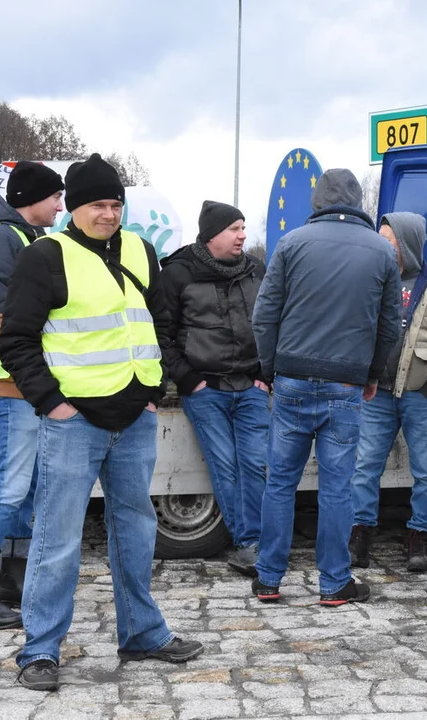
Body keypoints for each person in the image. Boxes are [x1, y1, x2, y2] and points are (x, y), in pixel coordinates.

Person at [0, 154, 203, 691]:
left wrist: (154, 390)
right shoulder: (47, 256)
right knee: (57, 537)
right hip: (74, 421)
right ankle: (40, 650)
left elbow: (160, 320)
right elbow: (15, 339)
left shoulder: (140, 249)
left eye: (116, 204)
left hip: (134, 418)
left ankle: (141, 632)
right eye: (98, 205)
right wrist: (52, 404)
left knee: (136, 528)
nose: (109, 214)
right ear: (73, 207)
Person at [251, 169, 399, 606]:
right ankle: (334, 583)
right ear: (358, 202)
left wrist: (270, 368)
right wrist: (371, 374)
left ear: (317, 202)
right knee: (338, 487)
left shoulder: (292, 243)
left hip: (292, 378)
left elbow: (265, 315)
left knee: (280, 482)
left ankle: (268, 579)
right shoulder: (381, 251)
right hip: (345, 383)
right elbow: (389, 326)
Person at [0, 161, 64, 630]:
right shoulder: (3, 238)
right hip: (13, 382)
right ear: (29, 198)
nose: (61, 206)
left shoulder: (18, 236)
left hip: (23, 383)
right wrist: (33, 372)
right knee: (10, 486)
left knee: (27, 488)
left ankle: (12, 580)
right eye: (55, 197)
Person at [349, 212, 427, 572]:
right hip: (377, 395)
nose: (381, 245)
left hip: (420, 396)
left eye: (388, 240)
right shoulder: (371, 280)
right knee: (365, 465)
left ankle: (420, 536)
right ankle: (360, 532)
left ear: (409, 243)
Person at [161, 200, 268, 577]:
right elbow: (162, 334)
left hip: (251, 387)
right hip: (206, 390)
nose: (242, 235)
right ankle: (249, 543)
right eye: (235, 229)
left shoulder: (257, 270)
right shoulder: (178, 273)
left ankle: (254, 542)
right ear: (212, 236)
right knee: (226, 466)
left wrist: (266, 374)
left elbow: (274, 322)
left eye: (243, 228)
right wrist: (189, 379)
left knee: (256, 463)